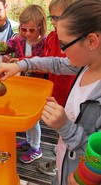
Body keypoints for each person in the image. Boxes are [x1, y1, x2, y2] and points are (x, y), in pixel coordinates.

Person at [0, 0, 101, 184]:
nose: (61, 50)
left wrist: (65, 126)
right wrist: (21, 64)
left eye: (65, 44)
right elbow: (55, 63)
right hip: (64, 166)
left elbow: (96, 156)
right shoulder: (86, 66)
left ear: (91, 41)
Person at [0, 4, 47, 163]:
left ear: (41, 27)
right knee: (25, 115)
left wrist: (20, 61)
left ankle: (36, 148)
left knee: (33, 119)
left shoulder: (45, 42)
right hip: (23, 85)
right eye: (24, 29)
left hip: (37, 87)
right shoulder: (18, 39)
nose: (27, 33)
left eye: (32, 30)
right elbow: (5, 47)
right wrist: (3, 50)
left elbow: (44, 63)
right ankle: (30, 142)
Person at [37, 0, 77, 177]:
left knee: (69, 128)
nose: (52, 21)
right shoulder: (53, 38)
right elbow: (51, 63)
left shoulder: (76, 44)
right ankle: (60, 152)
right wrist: (24, 64)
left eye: (57, 17)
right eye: (51, 16)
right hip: (56, 93)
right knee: (59, 129)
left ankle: (61, 162)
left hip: (71, 96)